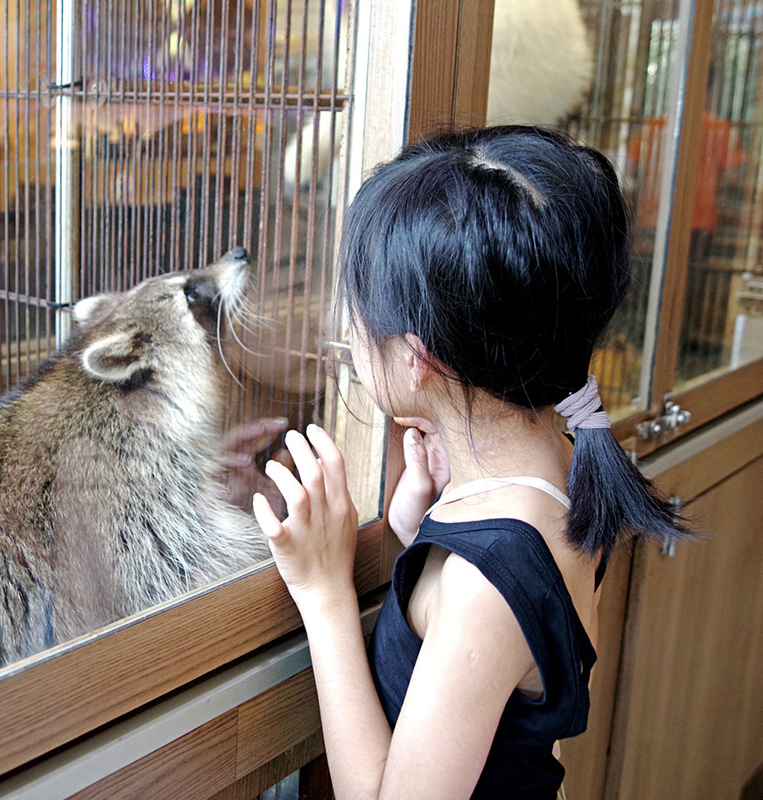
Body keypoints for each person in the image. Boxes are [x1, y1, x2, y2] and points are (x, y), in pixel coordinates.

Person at [252, 126, 687, 799]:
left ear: (418, 358)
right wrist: (415, 532)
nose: (348, 329)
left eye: (360, 310)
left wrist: (324, 593)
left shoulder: (484, 576)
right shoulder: (564, 468)